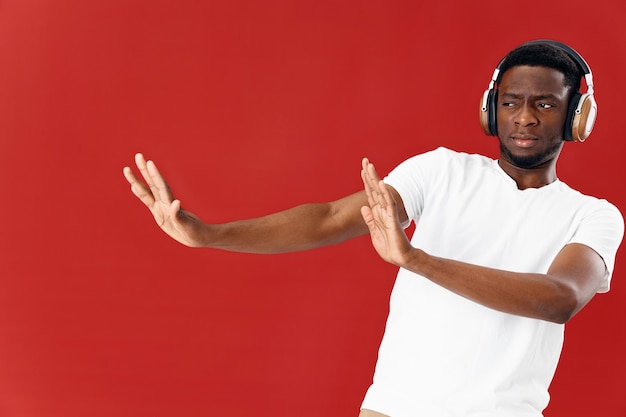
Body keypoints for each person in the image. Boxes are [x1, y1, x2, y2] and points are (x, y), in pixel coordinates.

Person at [123, 40, 624, 417]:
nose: (526, 118)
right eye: (512, 102)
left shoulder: (593, 215)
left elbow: (559, 299)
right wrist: (209, 235)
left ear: (577, 117)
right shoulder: (442, 171)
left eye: (545, 104)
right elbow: (330, 217)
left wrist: (417, 260)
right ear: (492, 110)